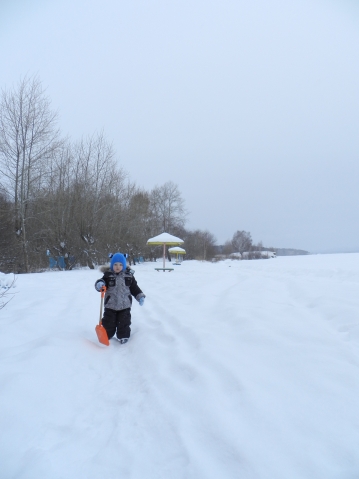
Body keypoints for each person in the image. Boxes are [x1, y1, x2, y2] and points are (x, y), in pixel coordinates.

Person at [94, 252, 145, 344]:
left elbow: (134, 288)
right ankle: (107, 334)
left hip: (125, 305)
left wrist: (140, 296)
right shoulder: (108, 275)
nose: (118, 267)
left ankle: (123, 336)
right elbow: (102, 282)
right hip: (110, 305)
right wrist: (100, 284)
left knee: (124, 322)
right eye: (115, 264)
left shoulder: (129, 276)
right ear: (112, 265)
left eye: (121, 264)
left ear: (124, 265)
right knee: (108, 322)